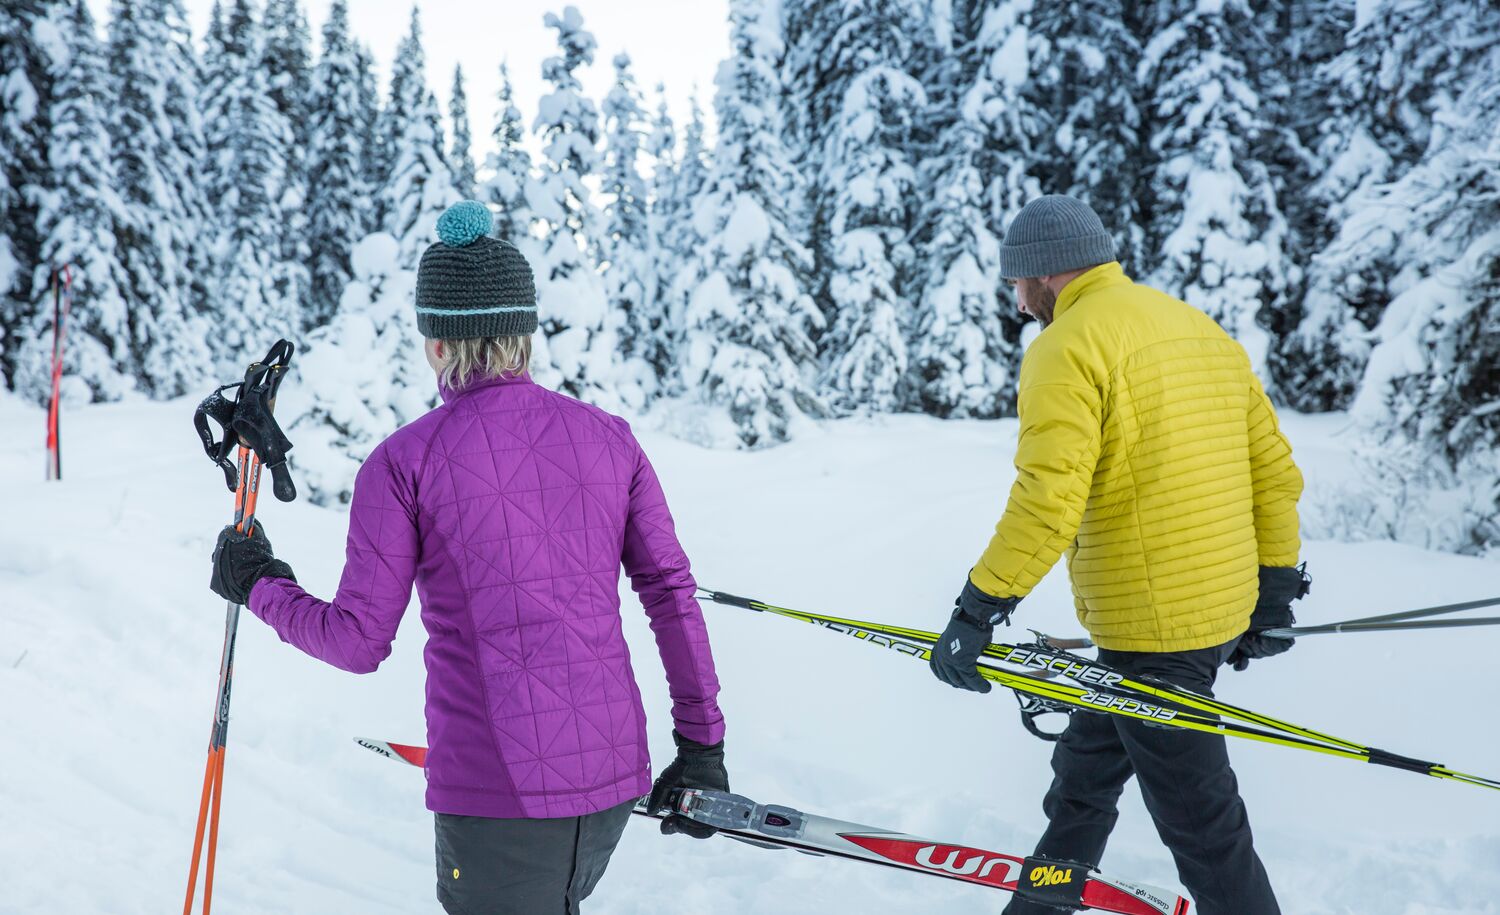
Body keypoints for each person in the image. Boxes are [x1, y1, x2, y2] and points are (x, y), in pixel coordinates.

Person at [209, 200, 729, 915]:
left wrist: (260, 583)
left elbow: (359, 643)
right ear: (524, 329)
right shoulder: (612, 437)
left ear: (437, 342)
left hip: (496, 794)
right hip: (614, 779)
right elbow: (670, 593)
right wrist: (702, 744)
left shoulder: (403, 462)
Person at [928, 195, 1307, 915]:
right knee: (1083, 778)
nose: (1017, 304)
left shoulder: (1066, 346)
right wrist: (1275, 589)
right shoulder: (1194, 326)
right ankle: (1040, 904)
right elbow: (1274, 471)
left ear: (1045, 276)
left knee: (1204, 830)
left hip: (1156, 630)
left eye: (1017, 285)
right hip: (1204, 612)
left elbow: (1048, 499)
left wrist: (978, 607)